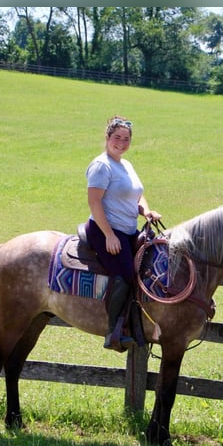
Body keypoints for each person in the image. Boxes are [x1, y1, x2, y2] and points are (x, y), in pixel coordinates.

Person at [84, 115, 162, 351]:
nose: (121, 142)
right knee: (125, 274)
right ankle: (113, 332)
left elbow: (137, 195)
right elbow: (94, 202)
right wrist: (109, 235)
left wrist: (146, 211)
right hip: (104, 230)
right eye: (117, 137)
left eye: (126, 139)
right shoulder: (101, 165)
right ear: (107, 138)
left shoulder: (126, 165)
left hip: (127, 230)